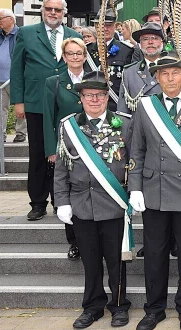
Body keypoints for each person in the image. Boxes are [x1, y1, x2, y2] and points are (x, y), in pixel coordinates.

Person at [127, 49, 181, 330]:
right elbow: (136, 150)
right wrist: (135, 187)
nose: (171, 78)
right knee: (155, 254)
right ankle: (155, 308)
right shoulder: (146, 107)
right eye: (164, 73)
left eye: (176, 72)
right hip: (155, 190)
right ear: (157, 78)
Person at [52, 71, 133, 329]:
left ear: (107, 97)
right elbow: (62, 167)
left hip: (113, 204)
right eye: (89, 95)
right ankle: (93, 306)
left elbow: (134, 162)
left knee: (116, 260)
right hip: (82, 205)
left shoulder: (125, 123)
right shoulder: (69, 126)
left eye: (99, 95)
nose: (94, 100)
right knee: (90, 260)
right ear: (81, 98)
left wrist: (135, 194)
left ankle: (119, 306)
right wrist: (62, 201)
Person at [11, 0, 82, 220]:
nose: (53, 13)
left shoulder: (73, 36)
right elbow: (17, 69)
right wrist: (18, 101)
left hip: (64, 103)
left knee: (64, 153)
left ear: (64, 13)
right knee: (39, 153)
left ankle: (59, 199)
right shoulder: (27, 33)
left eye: (58, 10)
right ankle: (38, 202)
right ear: (43, 10)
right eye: (49, 9)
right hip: (35, 103)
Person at [43, 37, 91, 260]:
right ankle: (74, 242)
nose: (75, 57)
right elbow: (48, 118)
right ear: (64, 57)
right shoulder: (53, 82)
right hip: (67, 147)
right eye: (70, 53)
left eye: (79, 53)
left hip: (93, 145)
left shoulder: (95, 78)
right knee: (68, 195)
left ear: (84, 55)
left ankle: (92, 239)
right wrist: (51, 150)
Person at [0, 8, 26, 144]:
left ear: (11, 19)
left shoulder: (22, 33)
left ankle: (21, 133)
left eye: (0, 18)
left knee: (20, 107)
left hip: (16, 78)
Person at [85, 9, 134, 111]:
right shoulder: (86, 50)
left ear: (115, 27)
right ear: (96, 27)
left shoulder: (126, 50)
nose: (105, 29)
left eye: (109, 25)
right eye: (102, 25)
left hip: (115, 107)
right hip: (90, 107)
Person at [117, 22, 165, 114]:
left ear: (161, 42)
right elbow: (123, 111)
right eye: (145, 39)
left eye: (155, 38)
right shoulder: (129, 73)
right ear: (140, 43)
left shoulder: (173, 69)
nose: (150, 42)